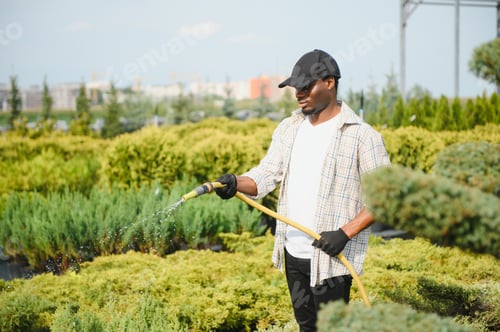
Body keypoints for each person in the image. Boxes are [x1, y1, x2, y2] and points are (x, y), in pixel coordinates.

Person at [214, 49, 390, 332]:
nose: (299, 93)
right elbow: (267, 174)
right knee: (306, 327)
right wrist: (235, 182)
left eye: (306, 86)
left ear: (330, 83)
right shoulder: (289, 128)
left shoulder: (362, 136)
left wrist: (344, 234)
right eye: (296, 87)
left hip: (331, 258)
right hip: (293, 252)